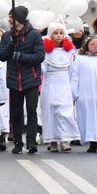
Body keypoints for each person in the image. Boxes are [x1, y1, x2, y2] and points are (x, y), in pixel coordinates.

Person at [0, 6, 45, 155]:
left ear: (20, 18)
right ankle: (18, 142)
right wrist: (11, 45)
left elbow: (40, 56)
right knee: (16, 112)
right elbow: (1, 56)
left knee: (31, 110)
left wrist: (21, 57)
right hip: (14, 80)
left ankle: (31, 141)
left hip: (31, 78)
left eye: (12, 17)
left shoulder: (34, 35)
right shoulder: (7, 36)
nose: (9, 20)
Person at [40, 22, 80, 153]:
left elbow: (73, 71)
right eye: (55, 33)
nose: (58, 36)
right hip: (50, 83)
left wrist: (73, 88)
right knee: (51, 111)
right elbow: (43, 70)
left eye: (61, 33)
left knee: (65, 111)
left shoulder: (69, 52)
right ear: (51, 35)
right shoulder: (46, 52)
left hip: (64, 84)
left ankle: (64, 139)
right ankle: (52, 141)